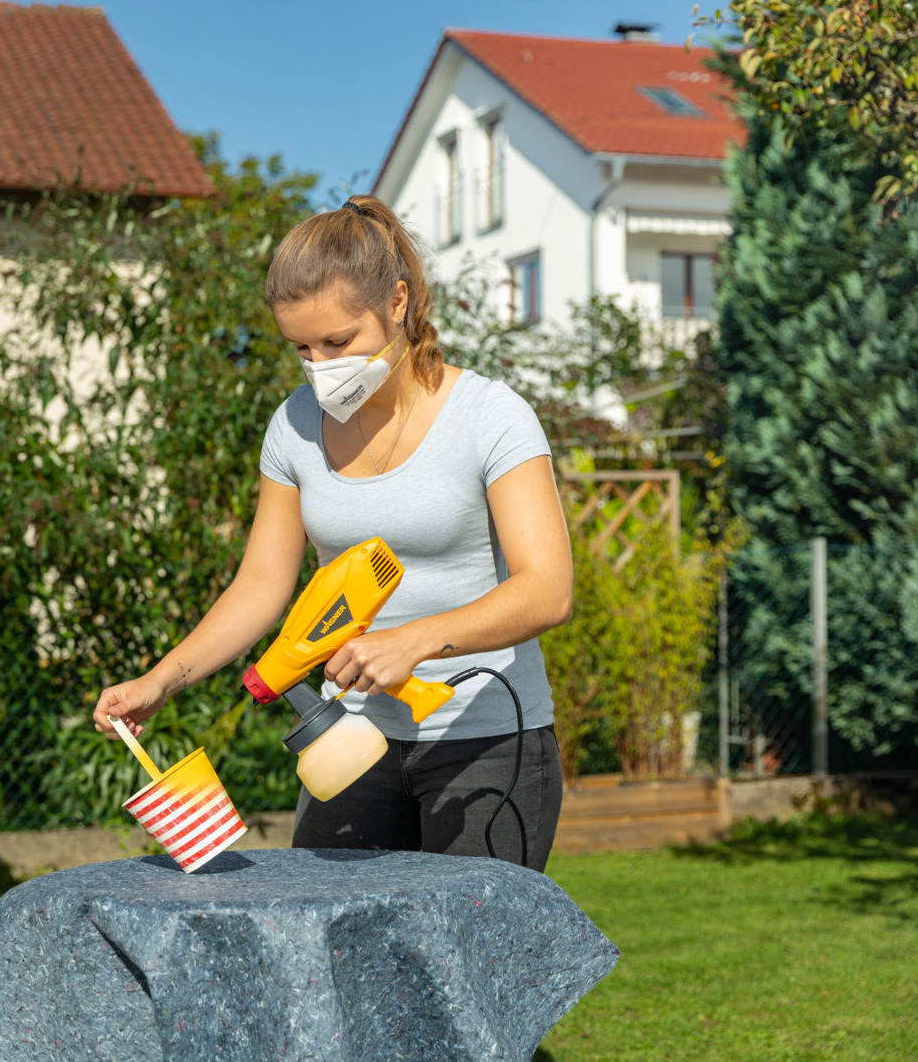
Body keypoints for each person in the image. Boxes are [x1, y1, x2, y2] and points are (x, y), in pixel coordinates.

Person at [92, 195, 572, 872]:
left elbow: (547, 590)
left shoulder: (492, 417)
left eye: (338, 341)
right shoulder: (292, 428)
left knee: (472, 976)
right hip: (348, 745)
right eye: (301, 348)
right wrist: (160, 681)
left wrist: (412, 640)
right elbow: (261, 587)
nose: (320, 366)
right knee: (335, 966)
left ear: (398, 301)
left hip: (487, 743)